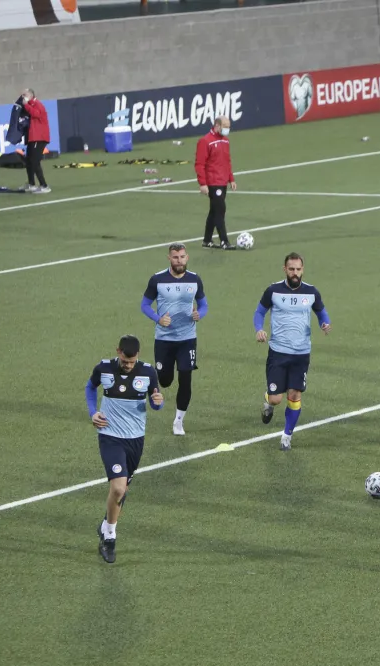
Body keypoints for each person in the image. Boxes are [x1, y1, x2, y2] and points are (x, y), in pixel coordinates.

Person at [86, 335, 163, 563]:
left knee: (123, 491)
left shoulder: (148, 373)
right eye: (125, 361)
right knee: (118, 489)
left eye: (132, 362)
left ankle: (105, 525)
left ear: (138, 355)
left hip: (135, 439)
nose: (128, 366)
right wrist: (93, 412)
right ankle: (110, 536)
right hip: (110, 436)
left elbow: (156, 402)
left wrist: (158, 402)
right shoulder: (104, 368)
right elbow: (90, 387)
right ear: (118, 351)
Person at [254, 252, 331, 451]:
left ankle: (287, 436)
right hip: (278, 352)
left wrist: (325, 323)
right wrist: (259, 329)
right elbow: (260, 311)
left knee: (295, 394)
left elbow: (321, 311)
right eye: (291, 269)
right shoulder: (273, 290)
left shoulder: (311, 292)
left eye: (298, 269)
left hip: (301, 353)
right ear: (285, 269)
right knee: (276, 398)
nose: (295, 273)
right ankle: (268, 403)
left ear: (302, 270)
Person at [141, 243, 208, 436]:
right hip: (164, 339)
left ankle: (178, 421)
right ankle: (153, 378)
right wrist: (158, 319)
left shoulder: (195, 279)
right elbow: (145, 304)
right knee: (166, 380)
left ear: (187, 257)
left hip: (187, 339)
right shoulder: (157, 279)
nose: (179, 261)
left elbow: (203, 304)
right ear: (169, 258)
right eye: (175, 257)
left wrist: (199, 314)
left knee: (185, 378)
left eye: (182, 257)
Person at [195, 116, 237, 250]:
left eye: (229, 126)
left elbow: (227, 161)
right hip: (213, 182)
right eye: (225, 126)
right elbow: (199, 164)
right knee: (220, 210)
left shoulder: (226, 141)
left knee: (214, 211)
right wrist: (202, 183)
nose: (227, 129)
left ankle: (207, 240)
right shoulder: (205, 141)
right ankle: (224, 241)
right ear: (217, 126)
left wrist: (231, 179)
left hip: (223, 181)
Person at [19, 89, 50, 194]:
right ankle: (31, 184)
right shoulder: (29, 105)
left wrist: (26, 105)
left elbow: (36, 114)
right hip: (32, 138)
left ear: (31, 95)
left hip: (39, 137)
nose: (23, 96)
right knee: (29, 161)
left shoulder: (38, 104)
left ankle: (44, 185)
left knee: (35, 162)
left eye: (25, 94)